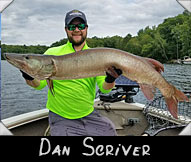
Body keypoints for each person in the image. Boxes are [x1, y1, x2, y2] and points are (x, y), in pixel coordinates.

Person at [20, 9, 122, 136]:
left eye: (81, 26)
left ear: (86, 28)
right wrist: (28, 75)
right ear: (66, 29)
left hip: (89, 115)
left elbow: (105, 89)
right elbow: (38, 85)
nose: (77, 29)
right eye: (72, 26)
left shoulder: (97, 56)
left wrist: (110, 80)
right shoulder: (52, 53)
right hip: (61, 117)